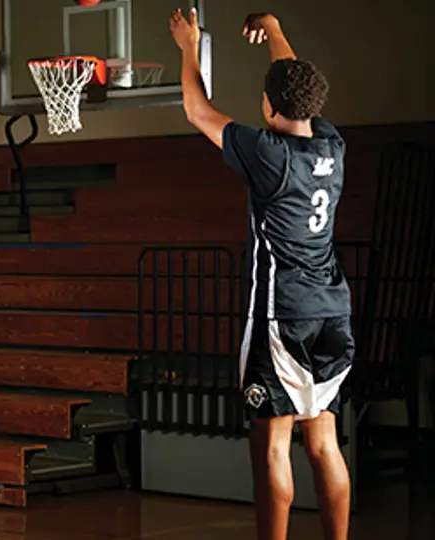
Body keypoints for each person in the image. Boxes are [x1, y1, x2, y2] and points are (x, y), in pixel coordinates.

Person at [169, 9, 353, 540]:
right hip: (332, 311)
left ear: (267, 105)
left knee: (271, 447)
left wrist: (189, 45)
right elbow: (295, 85)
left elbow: (196, 110)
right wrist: (272, 29)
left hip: (283, 315)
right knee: (323, 443)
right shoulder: (331, 146)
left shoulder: (268, 154)